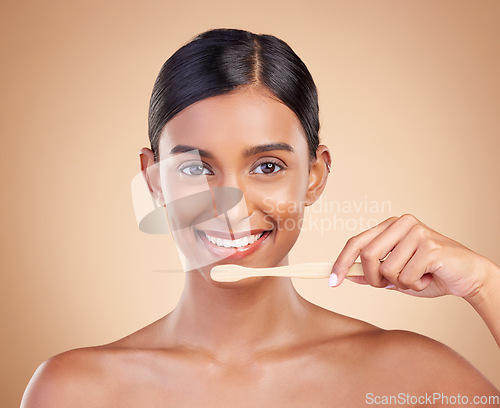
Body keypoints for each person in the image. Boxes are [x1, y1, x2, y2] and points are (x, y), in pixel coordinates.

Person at [21, 27, 500, 407]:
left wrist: (485, 285)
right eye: (194, 168)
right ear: (154, 181)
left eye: (267, 167)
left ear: (314, 176)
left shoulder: (413, 379)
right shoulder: (75, 392)